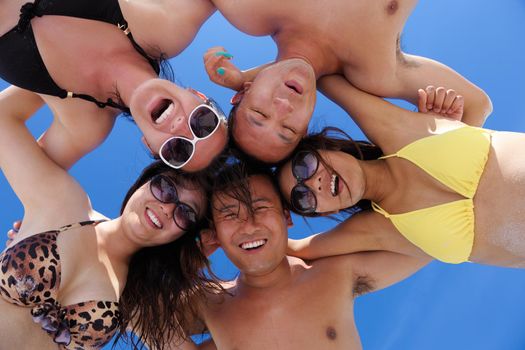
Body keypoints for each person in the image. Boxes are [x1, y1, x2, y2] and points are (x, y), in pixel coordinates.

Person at [0, 87, 220, 348]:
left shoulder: (136, 299)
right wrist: (67, 75)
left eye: (186, 213)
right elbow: (4, 118)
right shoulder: (65, 203)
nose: (168, 208)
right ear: (144, 183)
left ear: (183, 234)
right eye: (166, 188)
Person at [277, 77, 525, 268]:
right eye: (302, 197)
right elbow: (293, 248)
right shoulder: (380, 230)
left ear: (327, 147)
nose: (313, 183)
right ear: (328, 211)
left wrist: (246, 81)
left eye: (305, 165)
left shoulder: (395, 130)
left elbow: (317, 73)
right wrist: (263, 211)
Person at [174, 163, 429, 349]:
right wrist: (186, 261)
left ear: (286, 217)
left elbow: (426, 243)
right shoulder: (210, 303)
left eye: (261, 208)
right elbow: (138, 312)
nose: (249, 224)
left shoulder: (335, 273)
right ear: (214, 234)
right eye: (230, 215)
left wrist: (300, 247)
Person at [202, 0, 492, 163]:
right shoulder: (375, 71)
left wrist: (243, 77)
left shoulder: (250, 10)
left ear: (244, 93)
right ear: (306, 126)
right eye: (289, 129)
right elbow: (476, 106)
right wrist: (433, 131)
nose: (283, 107)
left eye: (260, 113)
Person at [0, 0, 227, 172]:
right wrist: (249, 78)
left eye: (178, 150)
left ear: (149, 145)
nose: (182, 128)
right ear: (196, 94)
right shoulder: (170, 25)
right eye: (204, 122)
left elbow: (35, 172)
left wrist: (48, 220)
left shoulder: (85, 128)